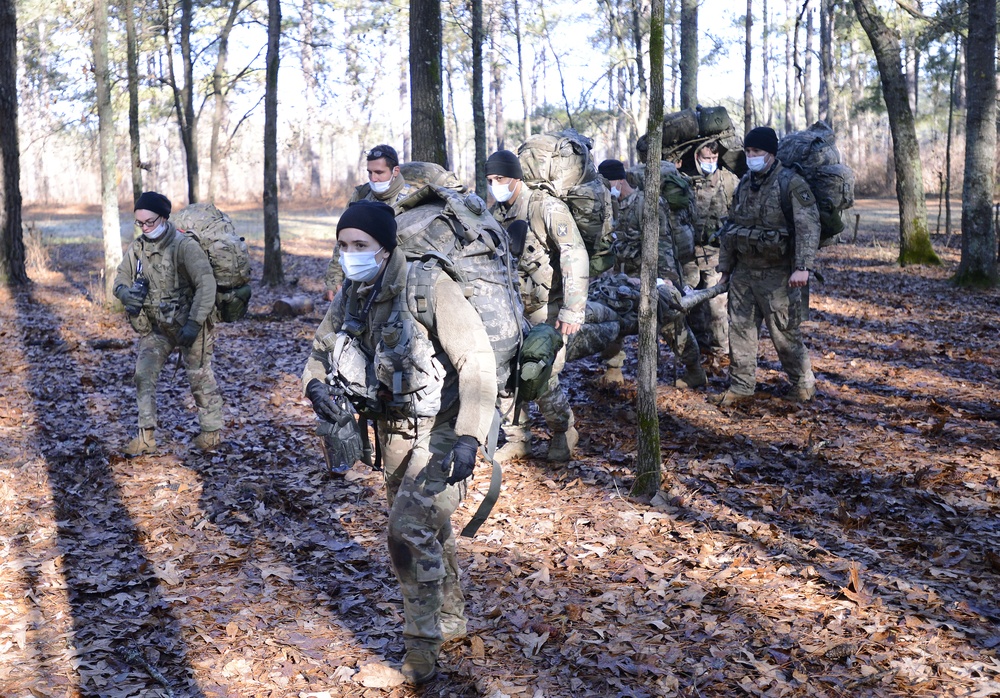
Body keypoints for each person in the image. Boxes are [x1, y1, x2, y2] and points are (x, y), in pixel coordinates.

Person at [301, 201, 497, 685]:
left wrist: (470, 438)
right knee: (428, 527)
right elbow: (322, 349)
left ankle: (421, 652)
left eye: (360, 247)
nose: (350, 255)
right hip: (393, 433)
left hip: (446, 431)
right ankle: (450, 619)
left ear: (385, 249)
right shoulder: (353, 292)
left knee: (406, 530)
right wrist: (315, 385)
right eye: (344, 246)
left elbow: (477, 361)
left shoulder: (430, 286)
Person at [485, 149, 590, 462]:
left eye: (500, 178)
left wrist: (573, 309)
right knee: (502, 372)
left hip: (548, 310)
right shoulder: (494, 214)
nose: (495, 185)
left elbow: (574, 253)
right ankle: (518, 438)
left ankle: (563, 429)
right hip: (509, 308)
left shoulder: (545, 206)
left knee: (538, 373)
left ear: (516, 177)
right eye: (490, 180)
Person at [715, 126, 820, 407]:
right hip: (744, 271)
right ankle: (741, 386)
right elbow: (731, 227)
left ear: (771, 154)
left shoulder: (790, 183)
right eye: (748, 152)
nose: (751, 157)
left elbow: (808, 225)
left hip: (778, 273)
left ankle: (803, 385)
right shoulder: (745, 184)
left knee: (784, 333)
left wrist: (803, 267)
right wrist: (725, 267)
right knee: (739, 330)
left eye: (757, 152)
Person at [113, 191, 223, 456]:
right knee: (143, 375)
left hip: (189, 324)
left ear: (163, 217)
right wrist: (127, 294)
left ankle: (210, 433)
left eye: (150, 221)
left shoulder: (184, 246)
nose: (145, 227)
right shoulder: (138, 248)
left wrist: (195, 324)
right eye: (140, 223)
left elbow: (206, 284)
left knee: (198, 375)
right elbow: (119, 280)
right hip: (157, 328)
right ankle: (146, 437)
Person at [597, 158, 705, 388]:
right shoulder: (613, 205)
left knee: (670, 323)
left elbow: (663, 242)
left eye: (607, 184)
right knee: (613, 317)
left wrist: (666, 279)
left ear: (619, 180)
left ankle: (694, 370)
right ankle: (613, 370)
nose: (605, 190)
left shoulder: (646, 204)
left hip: (651, 276)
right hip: (624, 277)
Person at [323, 145, 414, 300]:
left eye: (379, 172)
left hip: (400, 282)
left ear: (395, 171)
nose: (373, 178)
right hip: (361, 279)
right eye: (369, 172)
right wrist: (334, 280)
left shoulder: (412, 199)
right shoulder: (361, 196)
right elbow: (344, 240)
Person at [685, 140, 739, 356]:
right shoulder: (686, 181)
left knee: (716, 306)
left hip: (716, 254)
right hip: (689, 254)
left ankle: (720, 351)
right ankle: (700, 349)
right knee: (692, 305)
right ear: (697, 157)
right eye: (706, 158)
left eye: (714, 159)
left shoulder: (728, 180)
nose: (710, 162)